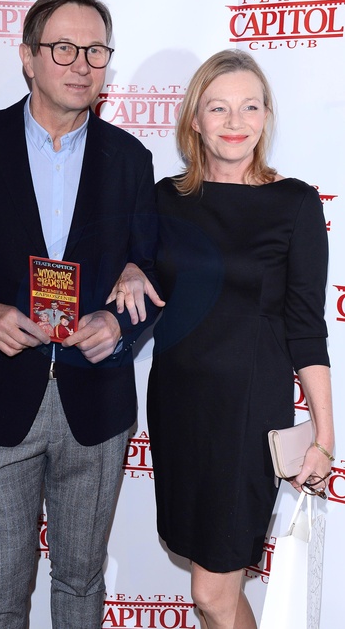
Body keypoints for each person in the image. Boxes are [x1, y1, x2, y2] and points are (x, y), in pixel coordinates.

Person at [0, 0, 161, 629]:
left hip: (95, 408)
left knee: (81, 583)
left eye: (96, 50)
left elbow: (153, 277)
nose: (82, 64)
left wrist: (118, 325)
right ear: (28, 57)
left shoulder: (130, 159)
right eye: (64, 48)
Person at [109, 49, 334, 629]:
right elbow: (139, 273)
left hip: (247, 417)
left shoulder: (295, 203)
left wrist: (325, 435)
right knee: (215, 590)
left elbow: (307, 327)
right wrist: (131, 268)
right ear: (195, 119)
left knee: (211, 593)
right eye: (219, 107)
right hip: (179, 410)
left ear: (266, 116)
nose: (236, 121)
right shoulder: (164, 199)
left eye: (250, 107)